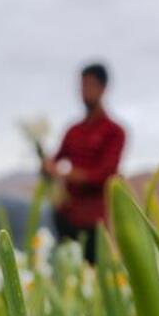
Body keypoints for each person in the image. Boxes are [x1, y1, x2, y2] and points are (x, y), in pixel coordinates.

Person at [42, 63, 126, 264]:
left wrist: (67, 174)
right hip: (65, 217)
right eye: (82, 86)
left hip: (95, 221)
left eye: (90, 85)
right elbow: (55, 160)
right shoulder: (73, 131)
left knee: (94, 275)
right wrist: (45, 166)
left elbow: (105, 174)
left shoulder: (114, 132)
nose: (84, 92)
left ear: (103, 88)